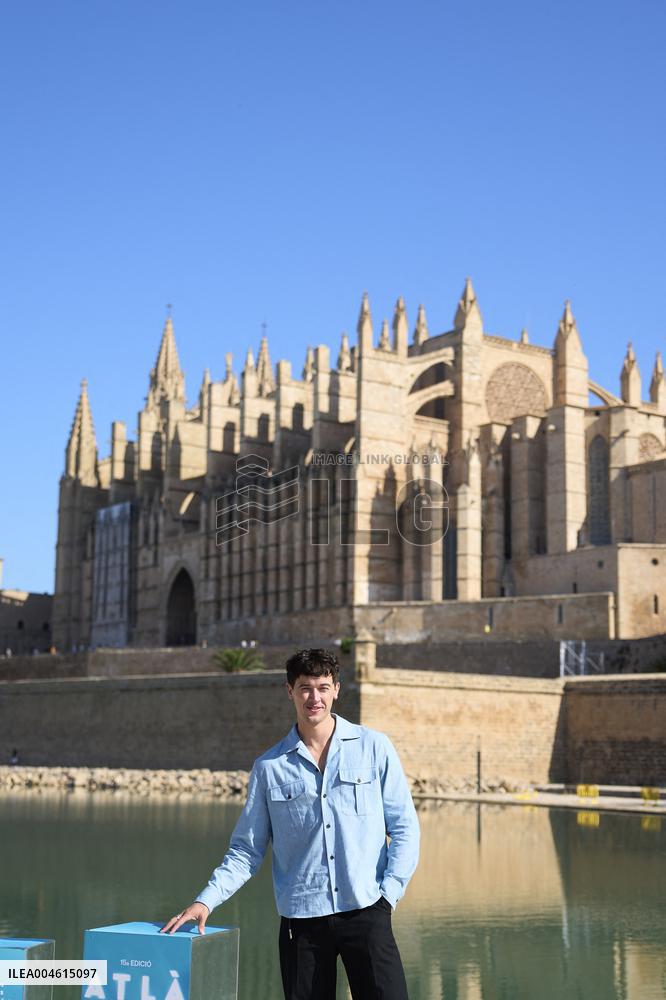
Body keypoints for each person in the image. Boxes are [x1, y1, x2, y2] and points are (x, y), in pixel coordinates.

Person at [161, 647, 420, 1000]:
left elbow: (404, 828)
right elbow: (246, 851)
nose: (315, 697)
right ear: (290, 691)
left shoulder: (374, 747)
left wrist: (388, 895)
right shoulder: (269, 767)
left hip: (368, 910)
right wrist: (206, 901)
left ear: (336, 690)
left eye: (323, 687)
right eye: (305, 688)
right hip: (303, 923)